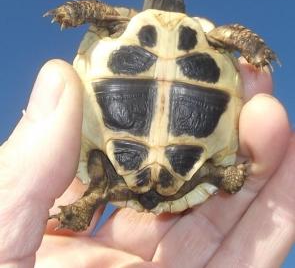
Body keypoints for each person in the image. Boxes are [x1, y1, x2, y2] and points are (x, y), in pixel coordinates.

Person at [0, 58, 293, 268]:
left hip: (119, 175)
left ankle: (90, 201)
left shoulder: (118, 33)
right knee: (212, 171)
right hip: (183, 174)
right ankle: (217, 175)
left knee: (102, 179)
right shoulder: (208, 42)